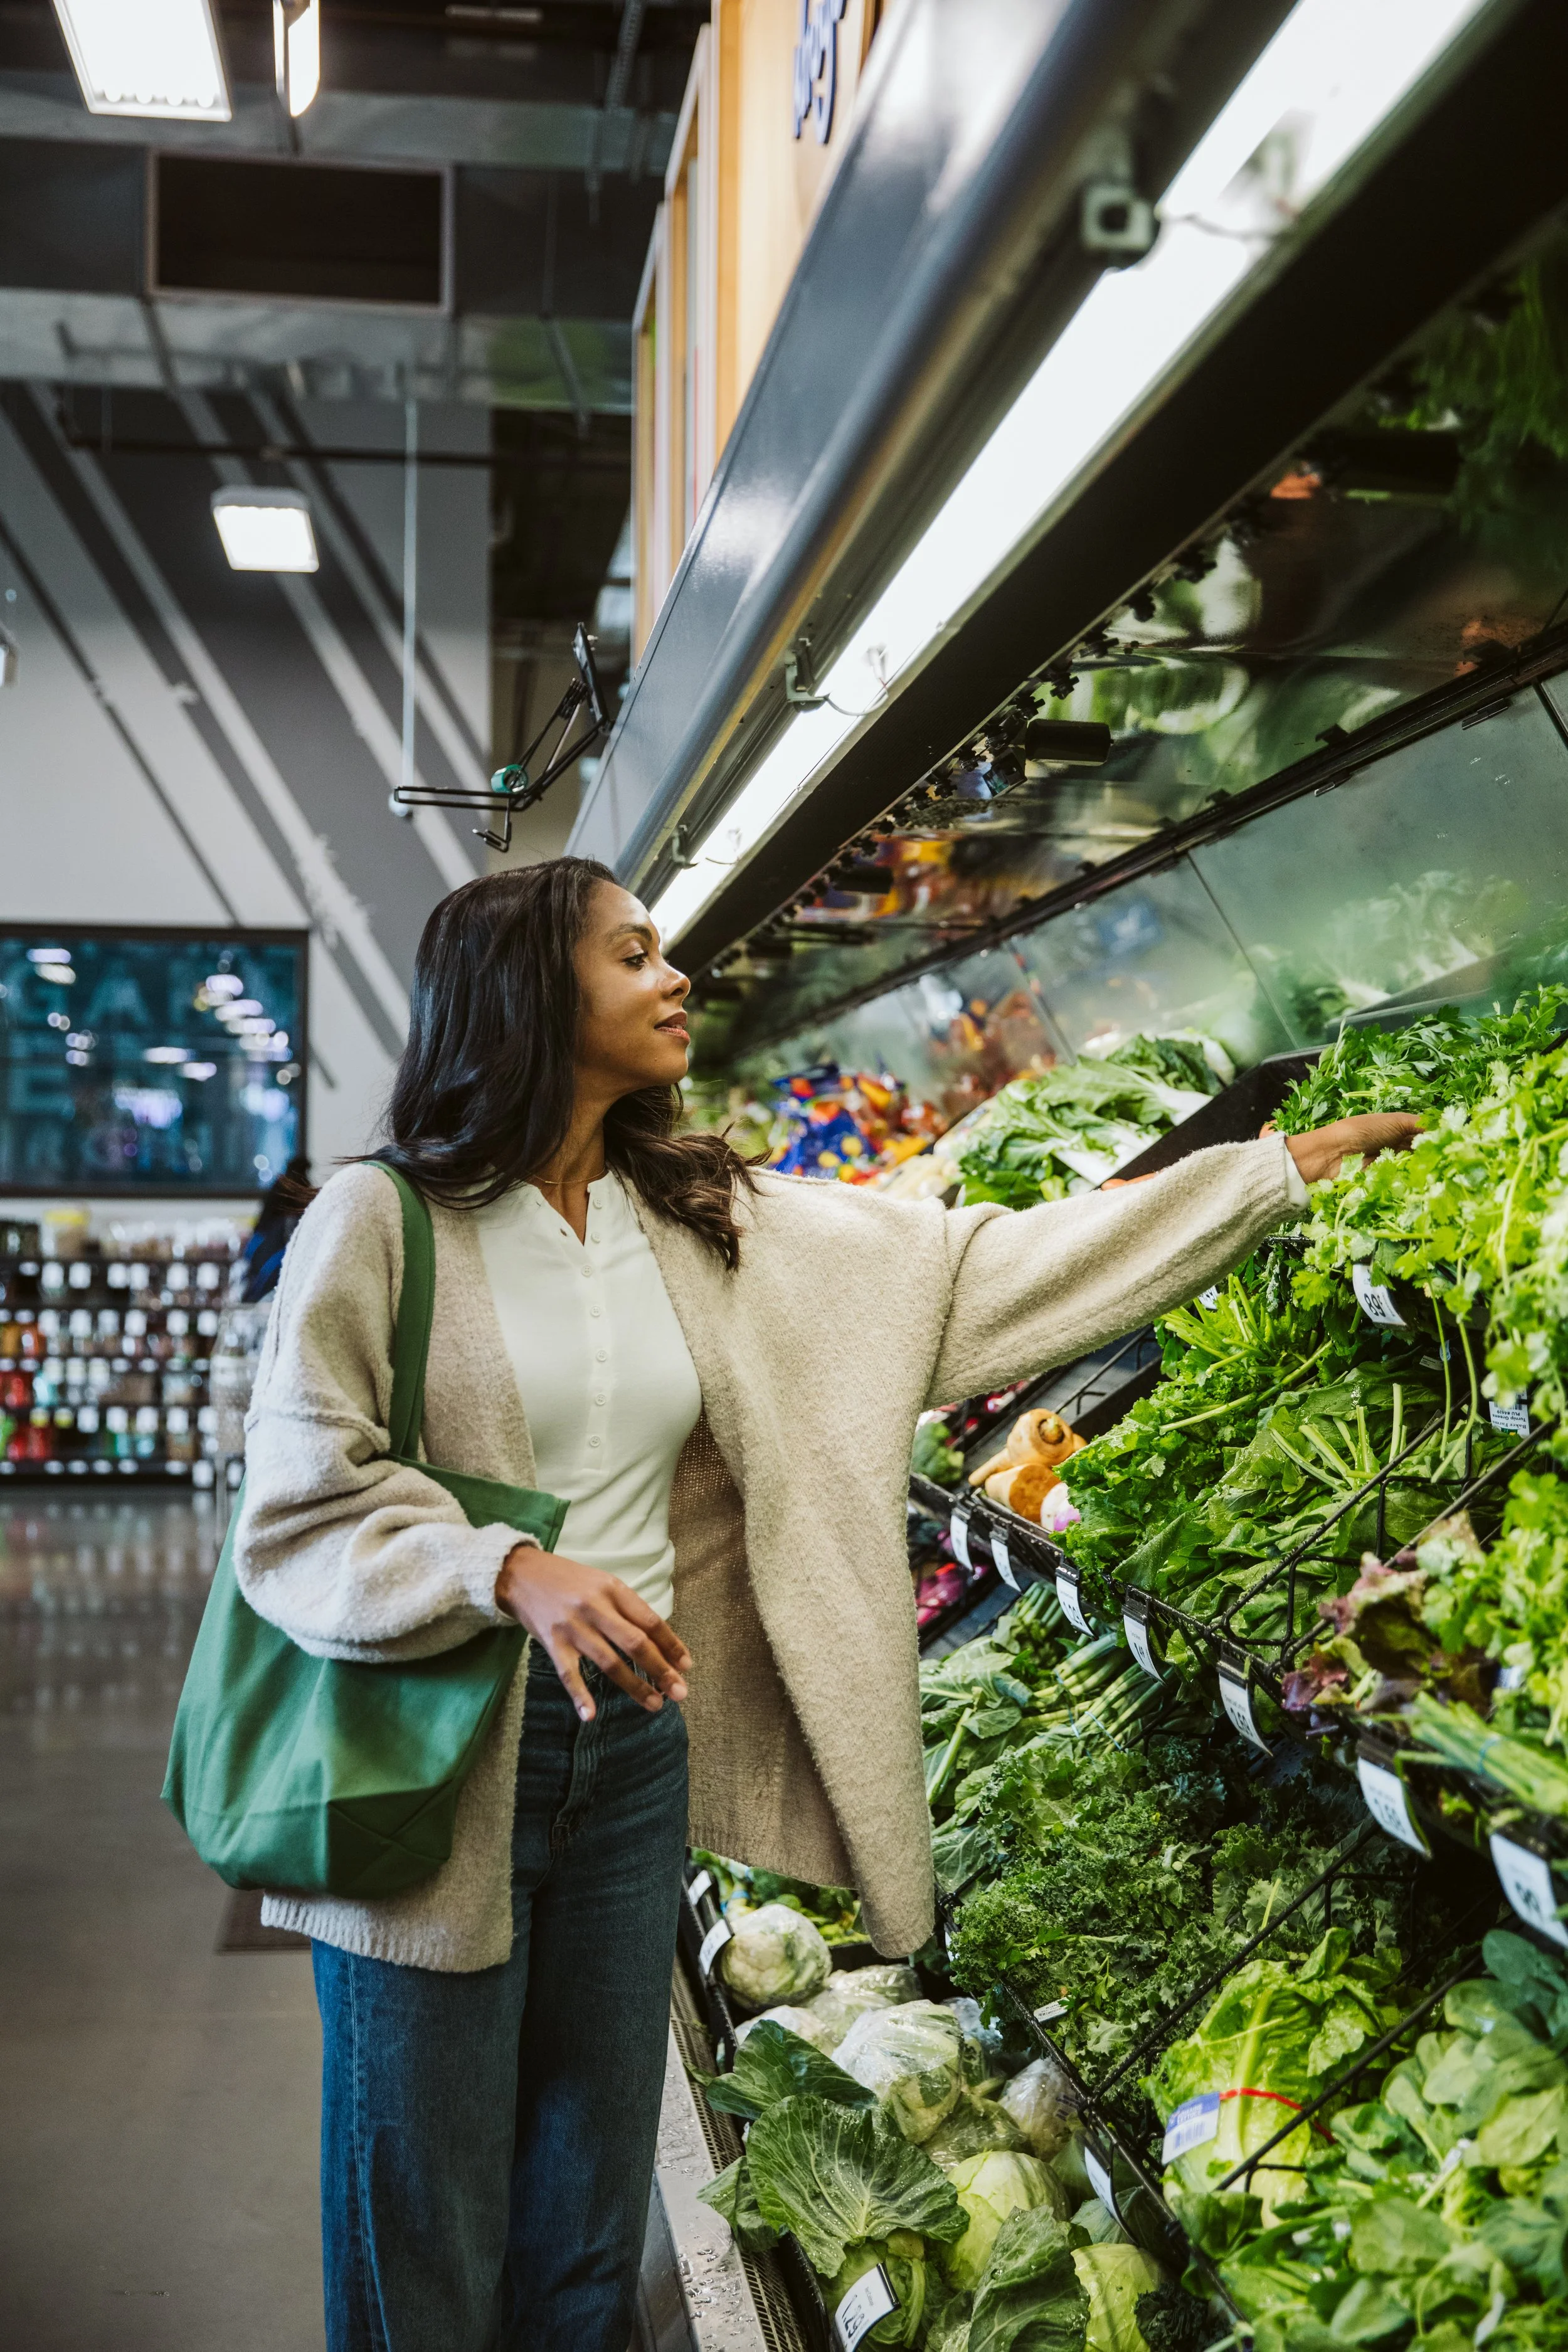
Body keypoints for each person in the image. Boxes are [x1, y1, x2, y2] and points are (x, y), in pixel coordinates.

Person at [233, 857, 1419, 2352]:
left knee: (585, 2225)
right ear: (531, 991)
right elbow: (296, 1499)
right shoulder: (385, 1222)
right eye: (634, 955)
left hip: (631, 1756)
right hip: (439, 1757)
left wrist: (1266, 1172)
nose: (677, 980)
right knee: (426, 2222)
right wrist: (499, 1567)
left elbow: (968, 1271)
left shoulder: (701, 1213)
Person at [238, 1154, 311, 1303]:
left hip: (263, 1237)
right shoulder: (295, 1186)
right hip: (272, 1240)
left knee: (255, 1275)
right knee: (263, 1276)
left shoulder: (279, 1183)